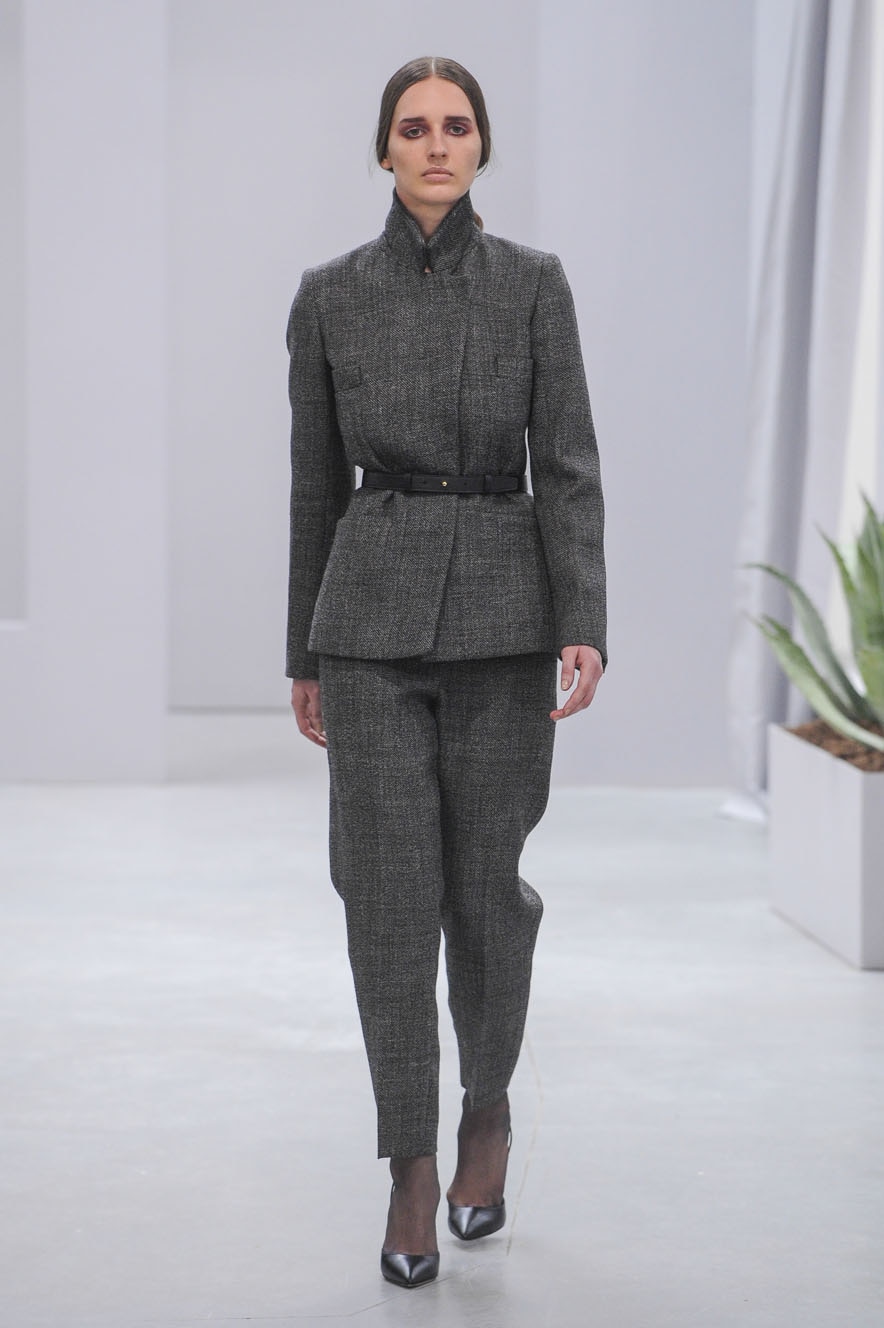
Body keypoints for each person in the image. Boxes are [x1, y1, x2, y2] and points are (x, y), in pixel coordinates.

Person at [286, 56, 606, 1289]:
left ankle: (486, 1108)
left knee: (484, 895)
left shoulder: (532, 284)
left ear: (480, 147)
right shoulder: (329, 295)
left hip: (505, 620)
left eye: (455, 126)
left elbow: (566, 463)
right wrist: (302, 651)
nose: (434, 144)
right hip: (365, 624)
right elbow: (313, 482)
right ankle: (408, 1164)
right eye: (412, 127)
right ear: (383, 149)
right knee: (382, 900)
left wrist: (581, 617)